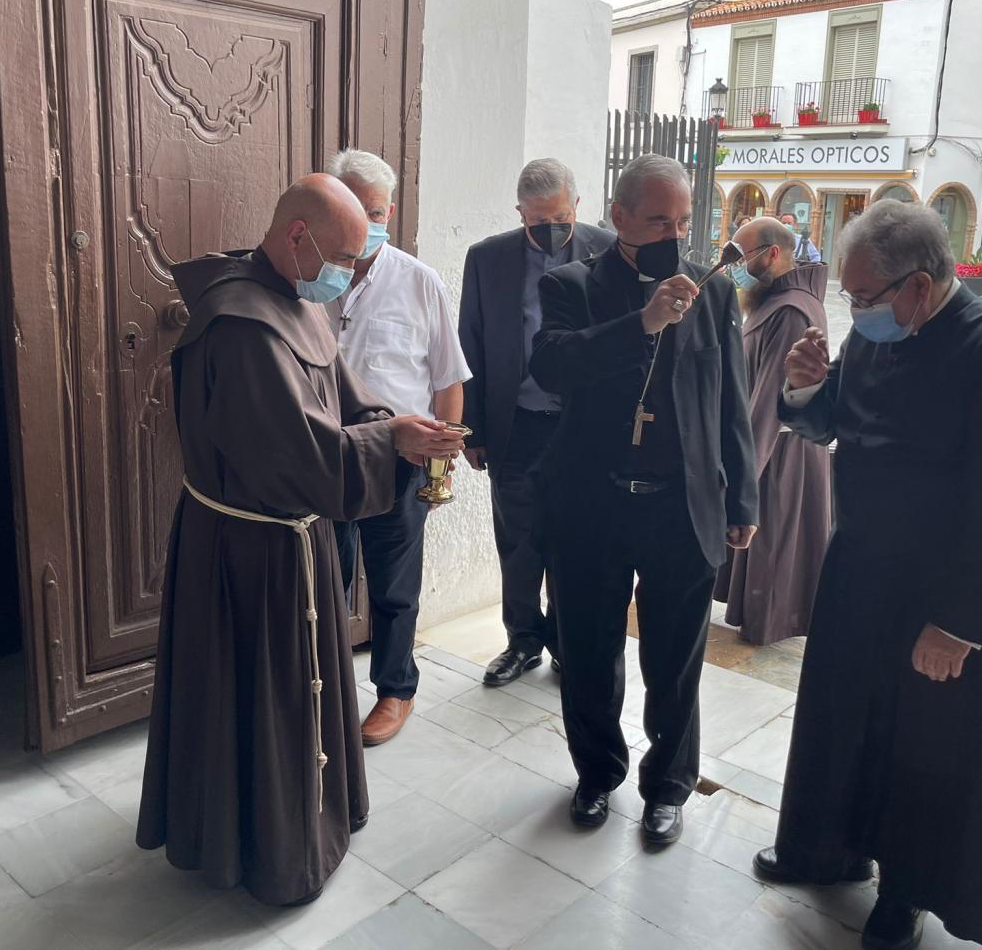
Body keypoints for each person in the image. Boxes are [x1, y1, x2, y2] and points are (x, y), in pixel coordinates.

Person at [136, 175, 464, 907]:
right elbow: (306, 458)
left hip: (293, 539)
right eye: (344, 258)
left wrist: (390, 421)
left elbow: (343, 394)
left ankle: (311, 816)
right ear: (296, 238)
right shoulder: (242, 324)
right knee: (262, 693)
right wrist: (394, 439)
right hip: (249, 553)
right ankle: (267, 848)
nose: (350, 274)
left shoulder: (291, 299)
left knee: (298, 690)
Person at [752, 200, 982, 949]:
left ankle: (907, 892)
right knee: (844, 726)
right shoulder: (880, 328)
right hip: (862, 572)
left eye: (863, 296)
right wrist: (804, 389)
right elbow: (836, 426)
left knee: (925, 752)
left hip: (943, 595)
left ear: (918, 286)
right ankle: (829, 850)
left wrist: (957, 626)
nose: (854, 310)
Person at [529, 154, 759, 845]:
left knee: (676, 658)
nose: (674, 232)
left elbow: (731, 400)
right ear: (619, 215)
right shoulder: (572, 283)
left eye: (684, 219)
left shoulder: (713, 290)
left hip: (679, 506)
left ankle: (669, 787)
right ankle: (597, 773)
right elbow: (552, 365)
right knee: (591, 651)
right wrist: (643, 325)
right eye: (659, 218)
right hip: (592, 505)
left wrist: (742, 497)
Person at [323, 150, 472, 746]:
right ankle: (321, 687)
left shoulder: (418, 280)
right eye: (353, 209)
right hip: (326, 458)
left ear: (390, 211)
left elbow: (448, 379)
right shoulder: (308, 280)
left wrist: (440, 468)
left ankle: (394, 691)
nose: (365, 222)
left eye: (375, 211)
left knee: (393, 589)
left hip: (399, 462)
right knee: (322, 583)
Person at [458, 159, 615, 686]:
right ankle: (522, 641)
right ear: (519, 212)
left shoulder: (608, 249)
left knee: (576, 539)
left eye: (561, 217)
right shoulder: (487, 259)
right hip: (518, 422)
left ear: (578, 205)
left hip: (585, 426)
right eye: (537, 220)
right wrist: (474, 429)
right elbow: (471, 344)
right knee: (519, 542)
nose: (550, 228)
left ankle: (569, 645)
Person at [714, 216, 830, 644]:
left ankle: (772, 621)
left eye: (742, 256)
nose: (736, 265)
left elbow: (769, 404)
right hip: (765, 446)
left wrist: (743, 475)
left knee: (774, 541)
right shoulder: (774, 301)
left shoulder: (791, 312)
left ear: (773, 254)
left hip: (777, 453)